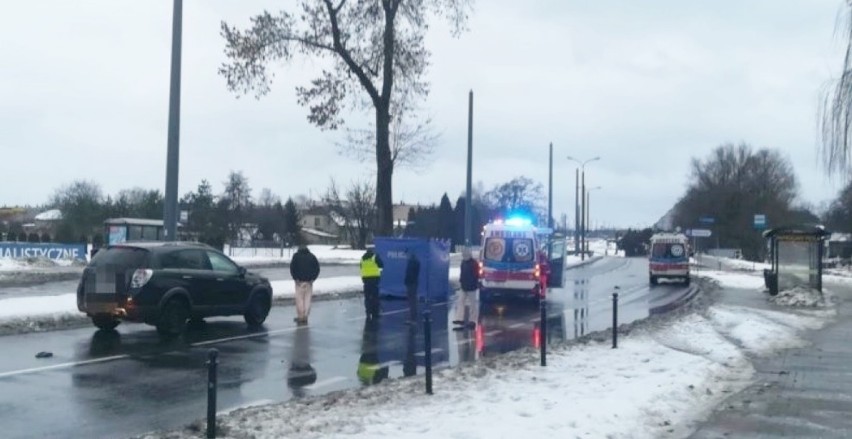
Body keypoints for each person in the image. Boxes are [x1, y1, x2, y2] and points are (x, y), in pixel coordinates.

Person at [290, 244, 320, 325]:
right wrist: (313, 279)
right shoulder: (312, 257)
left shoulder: (296, 256)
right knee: (307, 300)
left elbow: (292, 268)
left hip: (299, 282)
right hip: (309, 282)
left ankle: (301, 316)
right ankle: (306, 316)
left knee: (299, 300)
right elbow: (317, 269)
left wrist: (295, 278)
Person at [454, 248, 480, 330]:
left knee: (472, 304)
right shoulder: (465, 263)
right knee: (461, 302)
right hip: (466, 286)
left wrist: (464, 281)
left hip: (470, 286)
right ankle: (460, 318)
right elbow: (462, 273)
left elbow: (476, 275)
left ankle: (472, 320)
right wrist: (461, 281)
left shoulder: (473, 263)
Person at [360, 245, 383, 319]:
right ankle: (375, 312)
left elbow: (361, 268)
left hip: (366, 281)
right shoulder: (375, 257)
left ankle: (368, 312)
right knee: (375, 297)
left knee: (367, 298)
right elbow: (381, 266)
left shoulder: (362, 259)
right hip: (374, 280)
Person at [404, 250, 421, 325]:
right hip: (414, 283)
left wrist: (407, 281)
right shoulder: (416, 262)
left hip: (411, 283)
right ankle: (413, 318)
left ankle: (413, 319)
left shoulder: (411, 263)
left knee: (412, 302)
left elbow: (409, 274)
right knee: (413, 301)